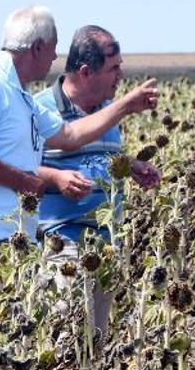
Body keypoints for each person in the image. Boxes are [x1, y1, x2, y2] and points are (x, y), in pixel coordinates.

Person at [0, 7, 158, 370]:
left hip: (17, 239)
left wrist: (125, 110)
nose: (57, 58)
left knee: (19, 341)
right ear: (37, 48)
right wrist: (24, 181)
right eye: (54, 49)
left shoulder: (21, 99)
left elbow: (71, 137)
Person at [35, 25, 161, 347]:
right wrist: (55, 178)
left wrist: (131, 166)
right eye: (114, 67)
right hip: (62, 244)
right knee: (65, 344)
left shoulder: (107, 109)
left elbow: (104, 154)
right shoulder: (40, 108)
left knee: (94, 345)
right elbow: (15, 168)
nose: (121, 74)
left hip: (105, 244)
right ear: (86, 71)